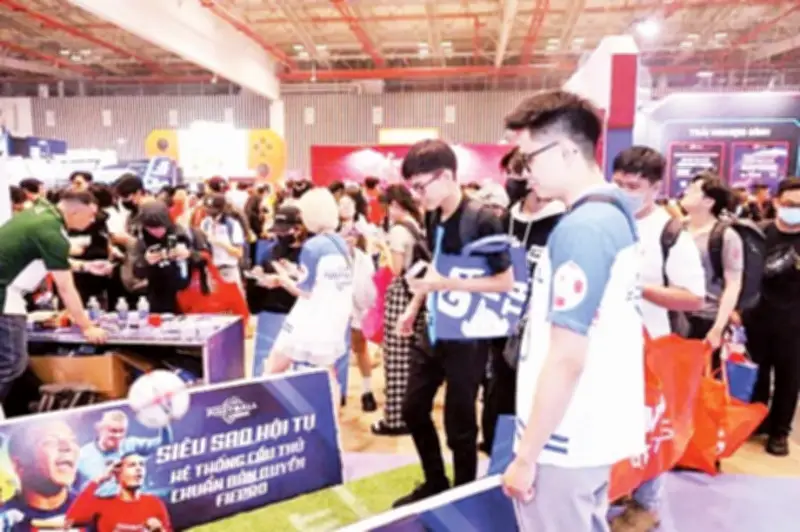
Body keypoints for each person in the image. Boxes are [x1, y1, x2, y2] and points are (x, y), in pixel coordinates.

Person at [500, 90, 645, 532]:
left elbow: (567, 357)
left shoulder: (583, 228)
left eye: (529, 158)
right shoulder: (611, 212)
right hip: (587, 425)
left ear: (564, 150)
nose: (525, 173)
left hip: (564, 436)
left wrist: (527, 456)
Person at [393, 139, 513, 506]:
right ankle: (435, 482)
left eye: (420, 186)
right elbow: (436, 267)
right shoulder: (432, 216)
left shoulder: (484, 219)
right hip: (433, 329)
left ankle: (462, 499)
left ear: (445, 176)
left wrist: (447, 284)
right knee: (413, 408)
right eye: (413, 188)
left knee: (460, 426)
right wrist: (415, 305)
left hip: (468, 336)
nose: (417, 195)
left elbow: (506, 281)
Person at [610, 146, 706, 531]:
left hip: (652, 349)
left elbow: (694, 297)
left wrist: (640, 289)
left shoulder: (670, 233)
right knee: (611, 423)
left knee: (650, 429)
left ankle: (646, 505)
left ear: (654, 187)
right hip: (606, 344)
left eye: (633, 186)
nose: (624, 192)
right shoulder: (603, 219)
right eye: (618, 183)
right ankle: (616, 488)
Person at [481, 147, 564, 454]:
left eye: (521, 172)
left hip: (544, 333)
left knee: (536, 402)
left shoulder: (564, 222)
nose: (516, 180)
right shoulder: (504, 220)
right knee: (499, 399)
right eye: (512, 173)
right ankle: (499, 460)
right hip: (502, 329)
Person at [0, 190, 107, 416]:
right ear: (75, 211)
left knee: (14, 364)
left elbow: (44, 257)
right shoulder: (52, 232)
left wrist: (85, 266)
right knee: (11, 363)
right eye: (91, 215)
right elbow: (66, 287)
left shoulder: (41, 214)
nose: (92, 220)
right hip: (5, 295)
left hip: (9, 291)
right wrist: (87, 326)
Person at [265, 188, 353, 402]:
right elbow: (322, 280)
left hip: (310, 316)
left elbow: (305, 291)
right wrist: (294, 272)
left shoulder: (313, 246)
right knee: (328, 374)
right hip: (334, 316)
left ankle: (267, 410)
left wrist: (282, 279)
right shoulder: (339, 242)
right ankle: (333, 417)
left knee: (273, 367)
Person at [747, 177, 800, 457]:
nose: (794, 210)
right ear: (777, 202)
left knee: (788, 379)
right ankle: (757, 420)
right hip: (757, 317)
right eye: (790, 204)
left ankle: (780, 431)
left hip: (794, 322)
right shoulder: (758, 233)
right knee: (756, 373)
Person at [680, 173, 743, 350]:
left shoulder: (726, 236)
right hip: (673, 313)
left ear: (708, 202)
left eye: (693, 190)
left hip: (705, 317)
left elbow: (733, 284)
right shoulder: (676, 229)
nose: (686, 192)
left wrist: (718, 328)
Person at [1, 421, 84, 531]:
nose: (67, 447)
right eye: (50, 441)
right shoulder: (6, 522)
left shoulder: (93, 508)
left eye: (72, 440)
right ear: (19, 464)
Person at [67, 453, 172, 532]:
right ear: (118, 475)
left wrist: (160, 530)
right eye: (132, 465)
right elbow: (71, 520)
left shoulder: (154, 503)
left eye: (142, 465)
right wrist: (99, 480)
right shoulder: (103, 504)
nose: (139, 468)